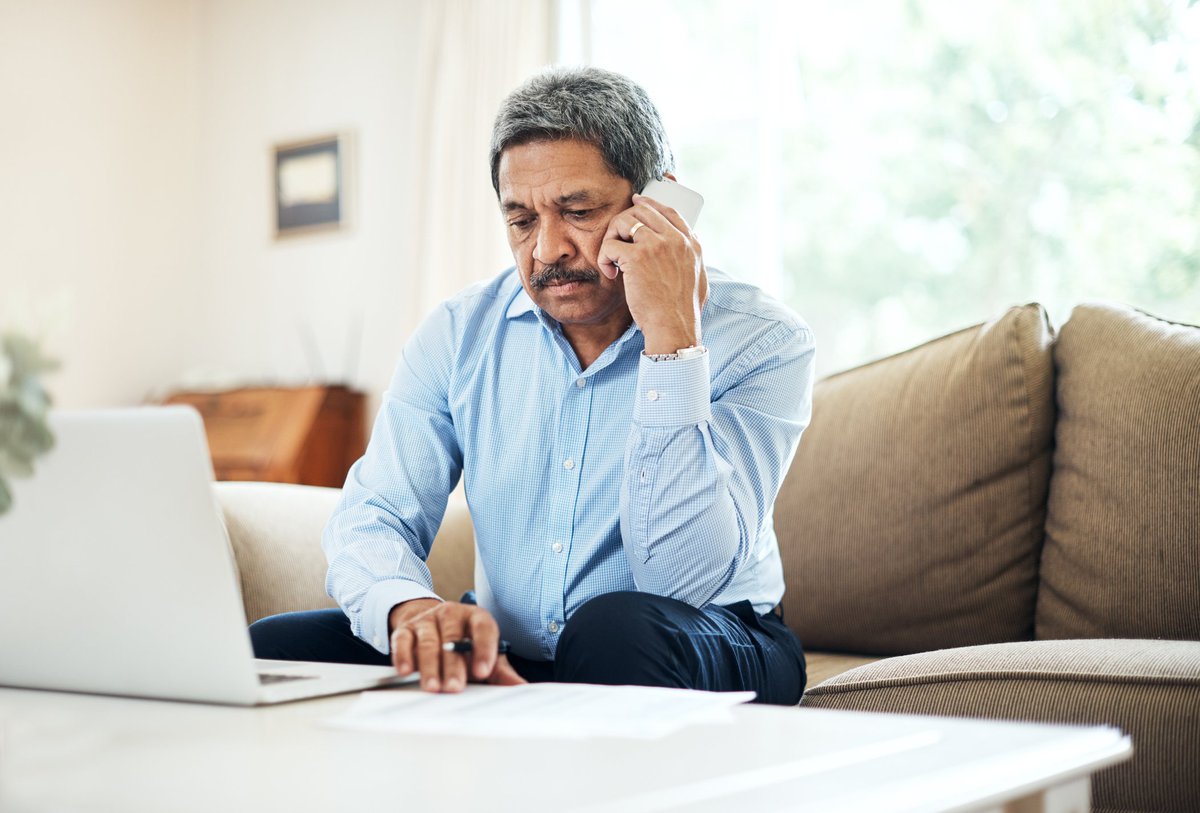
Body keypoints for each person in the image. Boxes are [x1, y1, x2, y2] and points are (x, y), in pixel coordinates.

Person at [250, 66, 815, 705]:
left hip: (704, 634)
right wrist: (411, 610)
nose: (547, 250)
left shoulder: (763, 337)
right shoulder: (459, 334)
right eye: (521, 220)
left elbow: (681, 578)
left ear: (658, 205)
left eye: (577, 212)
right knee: (277, 647)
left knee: (615, 631)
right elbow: (375, 515)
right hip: (517, 650)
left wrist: (672, 338)